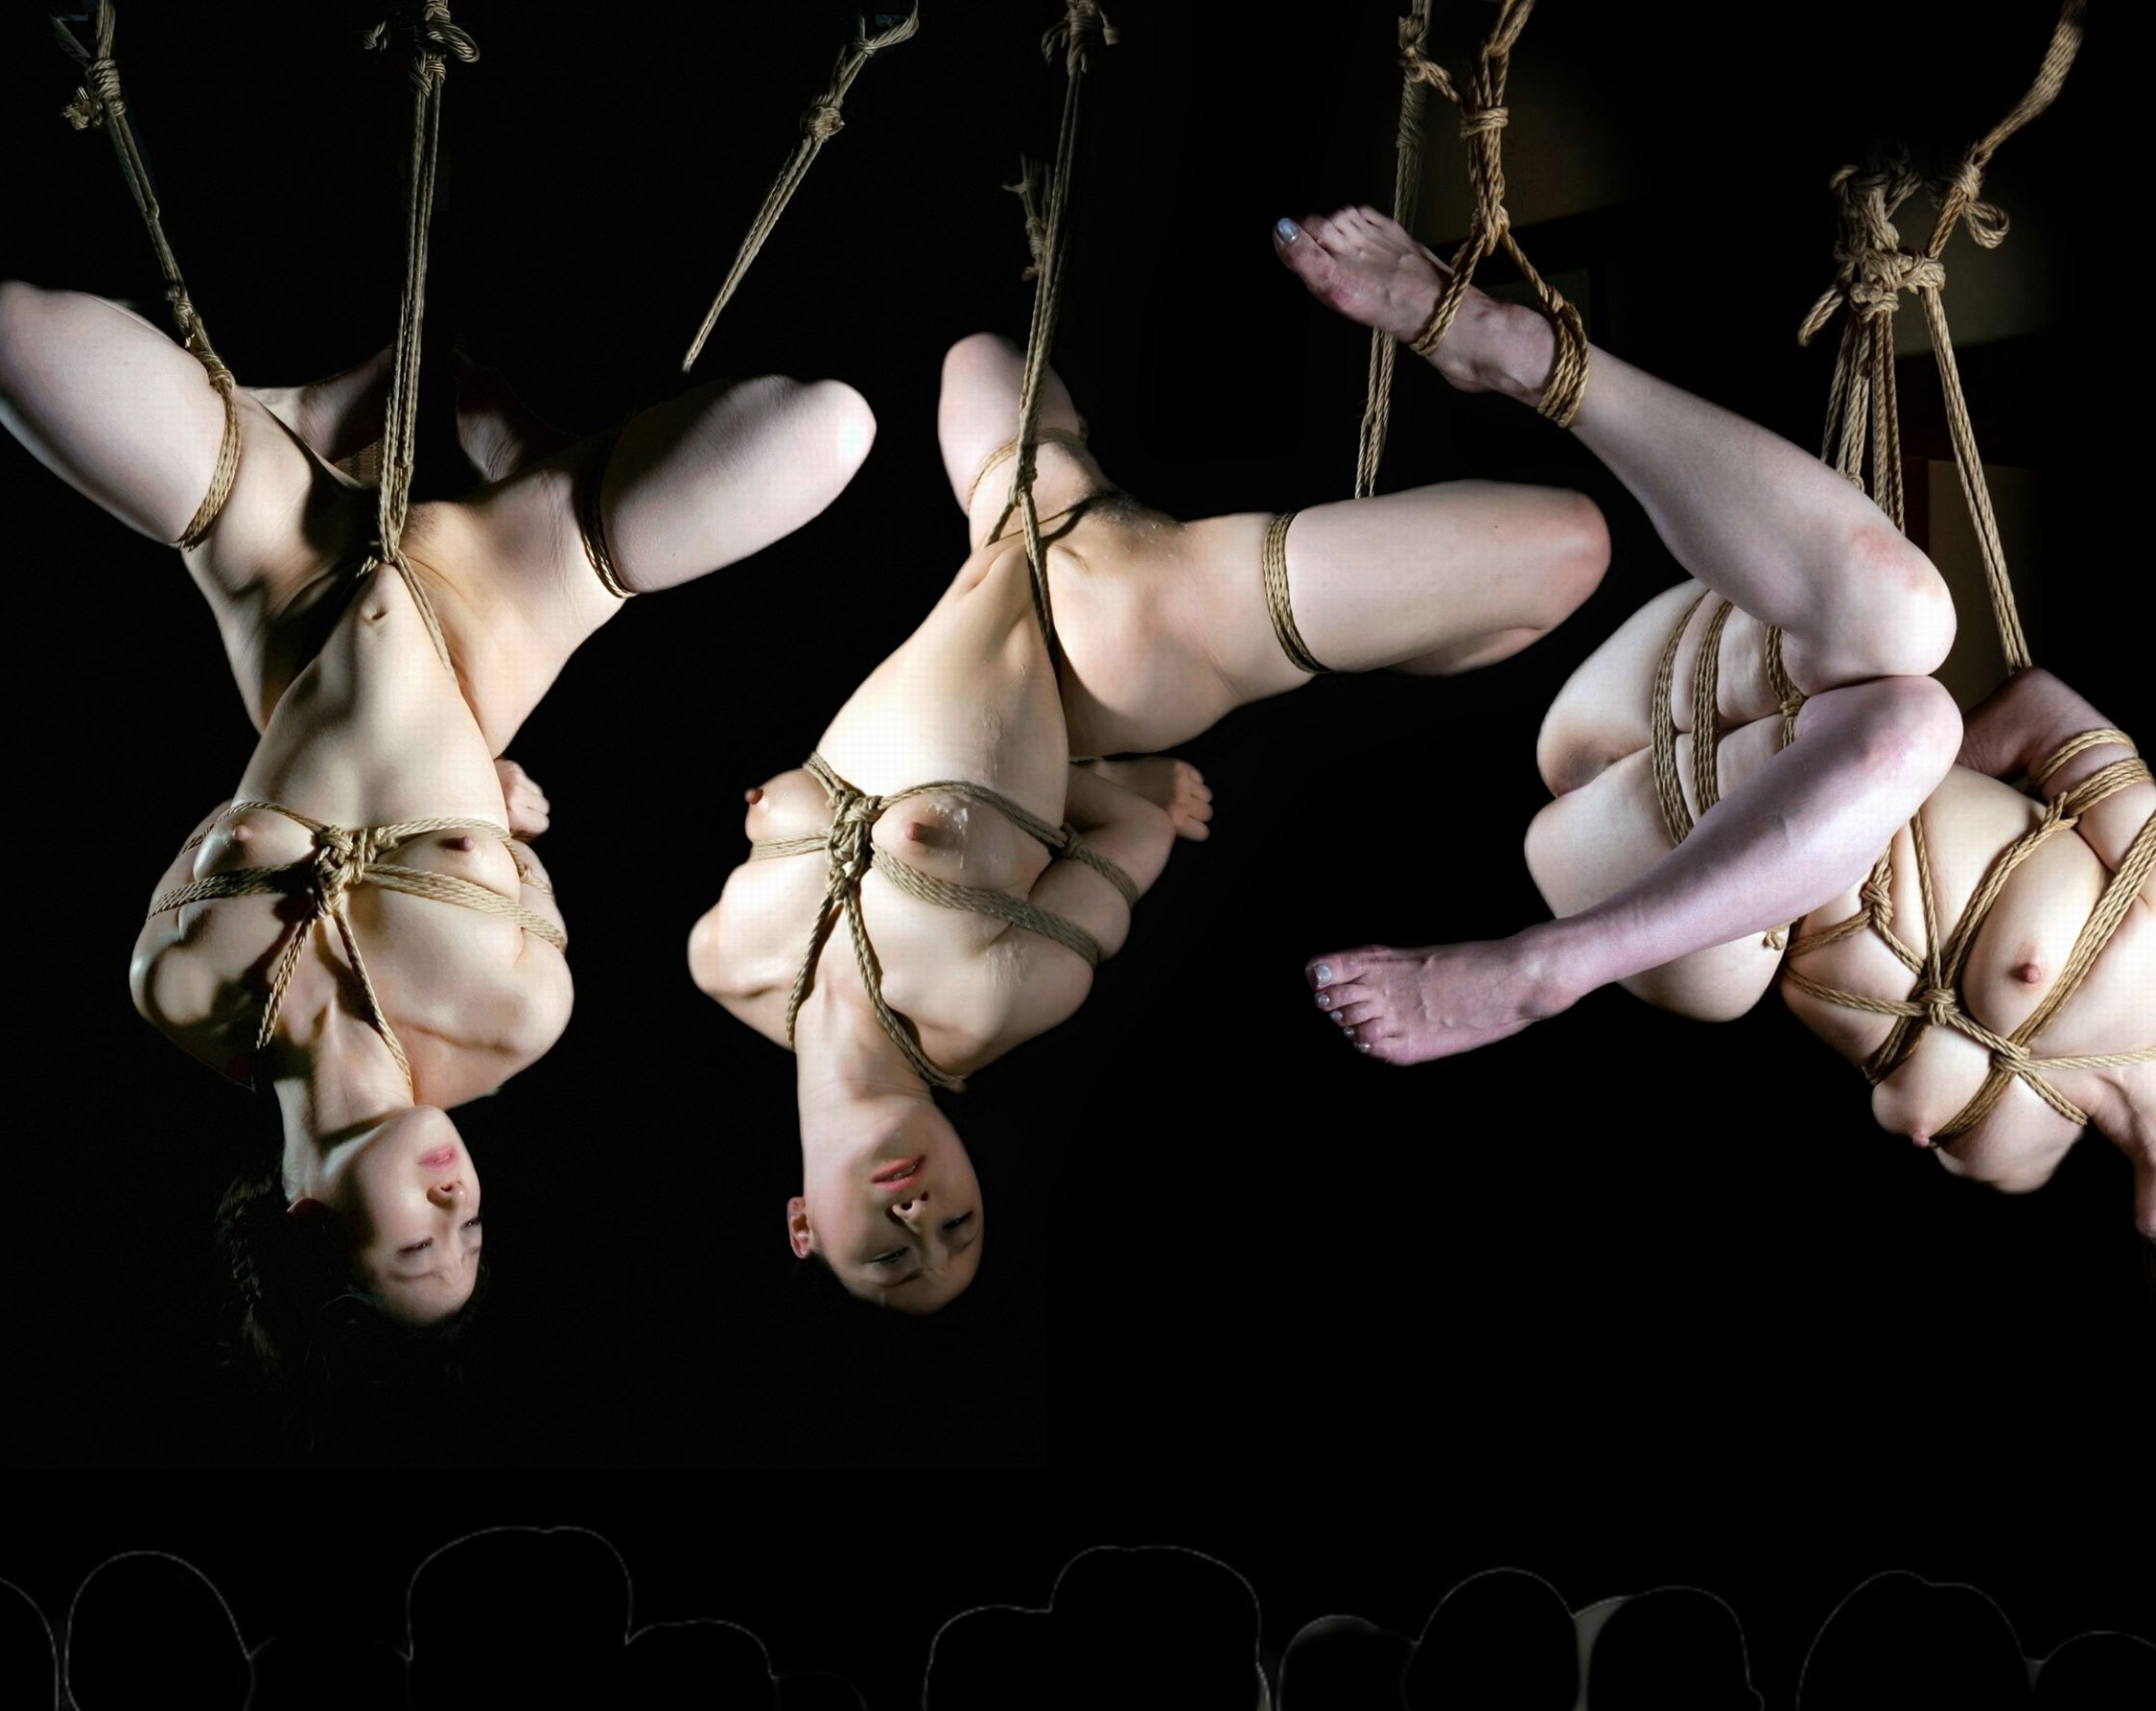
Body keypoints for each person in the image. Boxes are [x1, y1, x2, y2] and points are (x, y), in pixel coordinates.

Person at [1277, 203, 2156, 1525]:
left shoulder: (2008, 1163)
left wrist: (1868, 792)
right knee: (1908, 652)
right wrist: (1875, 776)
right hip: (1693, 693)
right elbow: (2037, 709)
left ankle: (1549, 963)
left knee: (1895, 718)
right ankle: (1515, 351)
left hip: (1639, 881)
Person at [0, 281, 873, 1377]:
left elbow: (245, 790)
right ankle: (518, 456)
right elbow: (511, 834)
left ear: (309, 1218)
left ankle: (296, 422)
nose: (455, 1203)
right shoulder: (517, 1018)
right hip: (497, 600)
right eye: (470, 1233)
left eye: (415, 1244)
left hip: (282, 577)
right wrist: (495, 800)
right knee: (829, 427)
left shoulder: (182, 992)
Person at [688, 318, 1609, 1309]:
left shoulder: (723, 962)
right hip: (1137, 638)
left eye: (888, 1256)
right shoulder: (990, 1005)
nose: (917, 1217)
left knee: (976, 354)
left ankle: (1388, 634)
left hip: (1027, 519)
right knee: (1568, 548)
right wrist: (1111, 786)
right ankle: (1374, 644)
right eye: (956, 1226)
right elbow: (1140, 832)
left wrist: (1061, 781)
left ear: (803, 1227)